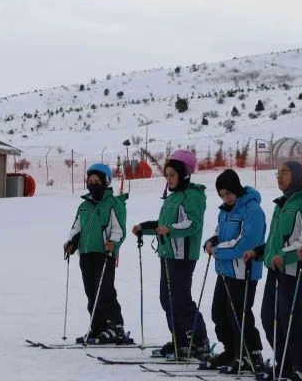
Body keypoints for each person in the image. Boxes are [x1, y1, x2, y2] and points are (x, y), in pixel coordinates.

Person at [245, 161, 302, 381]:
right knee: (269, 315)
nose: (279, 177)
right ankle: (285, 362)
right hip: (276, 269)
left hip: (296, 269)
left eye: (285, 173)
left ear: (298, 176)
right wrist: (262, 253)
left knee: (289, 316)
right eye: (278, 173)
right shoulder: (282, 204)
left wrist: (285, 255)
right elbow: (275, 240)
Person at [132, 149, 211, 360]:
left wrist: (170, 230)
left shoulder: (192, 196)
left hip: (183, 255)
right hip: (168, 254)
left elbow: (192, 224)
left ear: (184, 173)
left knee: (180, 300)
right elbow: (164, 226)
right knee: (166, 299)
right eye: (166, 175)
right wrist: (145, 228)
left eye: (172, 174)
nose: (168, 179)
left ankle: (199, 341)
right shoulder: (172, 197)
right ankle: (180, 340)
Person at [203, 169, 266, 373]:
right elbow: (220, 233)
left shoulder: (252, 210)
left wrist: (218, 250)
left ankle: (250, 353)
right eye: (222, 194)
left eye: (228, 193)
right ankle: (231, 350)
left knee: (238, 314)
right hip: (225, 271)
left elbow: (245, 243)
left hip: (243, 271)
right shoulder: (225, 210)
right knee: (219, 313)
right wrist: (211, 241)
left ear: (237, 189)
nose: (226, 198)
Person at [65, 163, 130, 344]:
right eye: (90, 181)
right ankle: (98, 326)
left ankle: (115, 326)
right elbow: (77, 227)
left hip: (104, 253)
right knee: (91, 291)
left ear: (106, 182)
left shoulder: (113, 204)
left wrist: (114, 243)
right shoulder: (84, 205)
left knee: (105, 291)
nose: (93, 184)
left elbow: (119, 229)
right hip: (86, 253)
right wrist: (71, 242)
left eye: (97, 181)